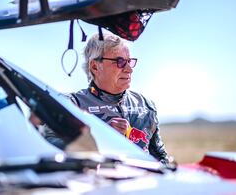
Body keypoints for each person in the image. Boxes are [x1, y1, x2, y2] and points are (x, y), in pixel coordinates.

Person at [45, 32, 171, 164]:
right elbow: (48, 146)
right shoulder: (71, 104)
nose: (129, 69)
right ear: (94, 66)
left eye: (129, 61)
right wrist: (101, 136)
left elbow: (161, 158)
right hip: (97, 183)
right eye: (120, 62)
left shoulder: (146, 105)